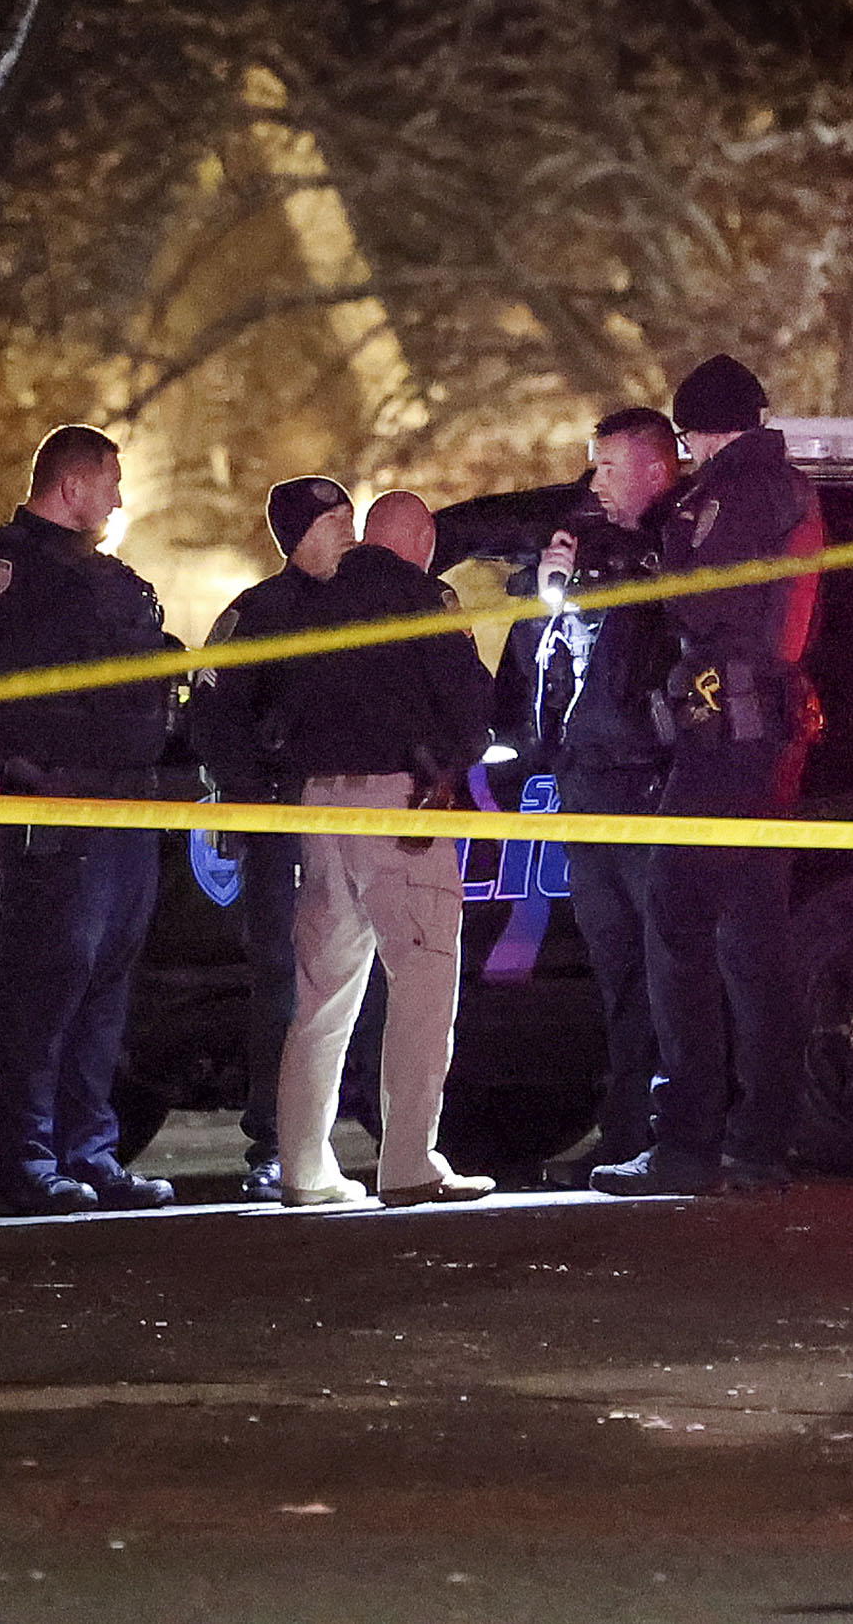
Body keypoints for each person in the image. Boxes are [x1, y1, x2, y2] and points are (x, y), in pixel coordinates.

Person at [592, 357, 824, 1197]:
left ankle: (685, 1138)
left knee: (674, 913)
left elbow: (703, 604)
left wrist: (648, 557)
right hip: (773, 739)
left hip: (727, 736)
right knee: (756, 936)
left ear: (700, 431)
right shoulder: (792, 488)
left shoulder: (727, 494)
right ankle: (762, 1137)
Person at [0, 424, 180, 1217]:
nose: (120, 497)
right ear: (73, 486)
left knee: (107, 982)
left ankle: (91, 1154)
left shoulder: (104, 573)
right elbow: (35, 681)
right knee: (48, 982)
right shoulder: (5, 570)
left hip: (125, 800)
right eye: (111, 481)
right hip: (58, 802)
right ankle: (26, 1162)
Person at [274, 489, 498, 1209]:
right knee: (423, 983)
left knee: (321, 997)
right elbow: (471, 706)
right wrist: (447, 768)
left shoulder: (310, 600)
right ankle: (407, 1163)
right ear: (424, 540)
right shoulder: (423, 599)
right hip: (396, 806)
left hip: (316, 806)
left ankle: (304, 1170)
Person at [182, 475, 353, 1203]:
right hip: (282, 823)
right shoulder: (258, 615)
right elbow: (211, 716)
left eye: (350, 516)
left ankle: (339, 1136)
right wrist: (259, 798)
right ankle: (274, 1142)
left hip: (353, 816)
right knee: (283, 984)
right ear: (297, 534)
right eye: (334, 520)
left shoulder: (365, 603)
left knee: (348, 983)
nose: (349, 528)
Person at [537, 408, 685, 1171]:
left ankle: (667, 1129)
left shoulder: (681, 545)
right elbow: (557, 671)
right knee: (619, 975)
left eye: (608, 467)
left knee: (663, 973)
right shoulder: (596, 554)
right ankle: (628, 1128)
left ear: (657, 470)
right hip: (590, 787)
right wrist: (556, 584)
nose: (594, 483)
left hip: (648, 789)